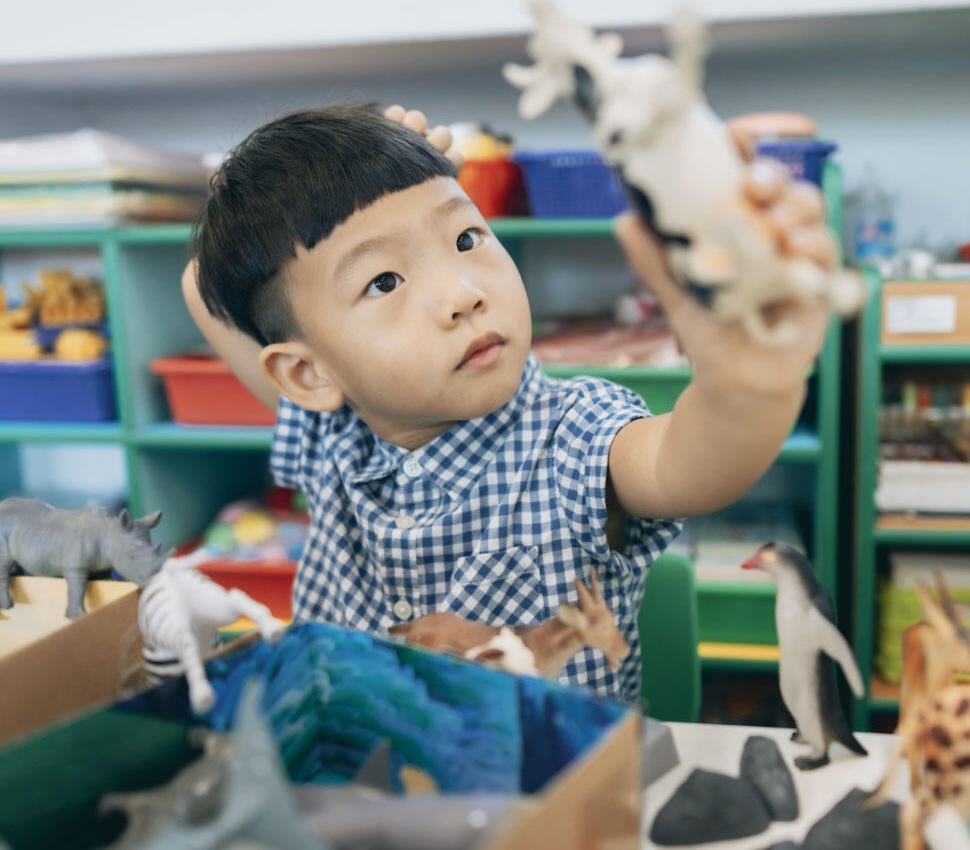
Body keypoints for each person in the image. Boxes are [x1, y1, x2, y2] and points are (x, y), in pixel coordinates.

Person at [183, 102, 835, 700]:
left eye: (466, 239)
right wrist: (328, 188)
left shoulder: (573, 433)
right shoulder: (334, 429)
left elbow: (692, 463)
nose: (463, 292)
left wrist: (748, 380)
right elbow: (202, 288)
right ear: (307, 374)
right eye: (384, 280)